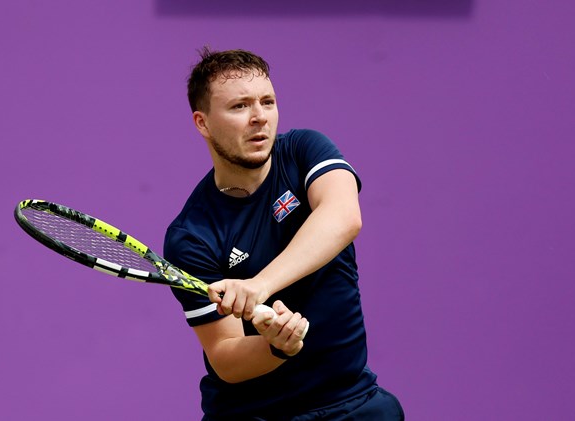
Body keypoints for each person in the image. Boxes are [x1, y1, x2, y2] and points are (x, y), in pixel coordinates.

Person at [163, 47, 404, 420]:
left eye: (267, 101)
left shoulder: (305, 151)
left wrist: (259, 285)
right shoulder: (192, 235)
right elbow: (226, 355)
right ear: (203, 122)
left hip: (352, 402)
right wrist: (276, 346)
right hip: (254, 414)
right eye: (239, 106)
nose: (259, 117)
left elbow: (343, 216)